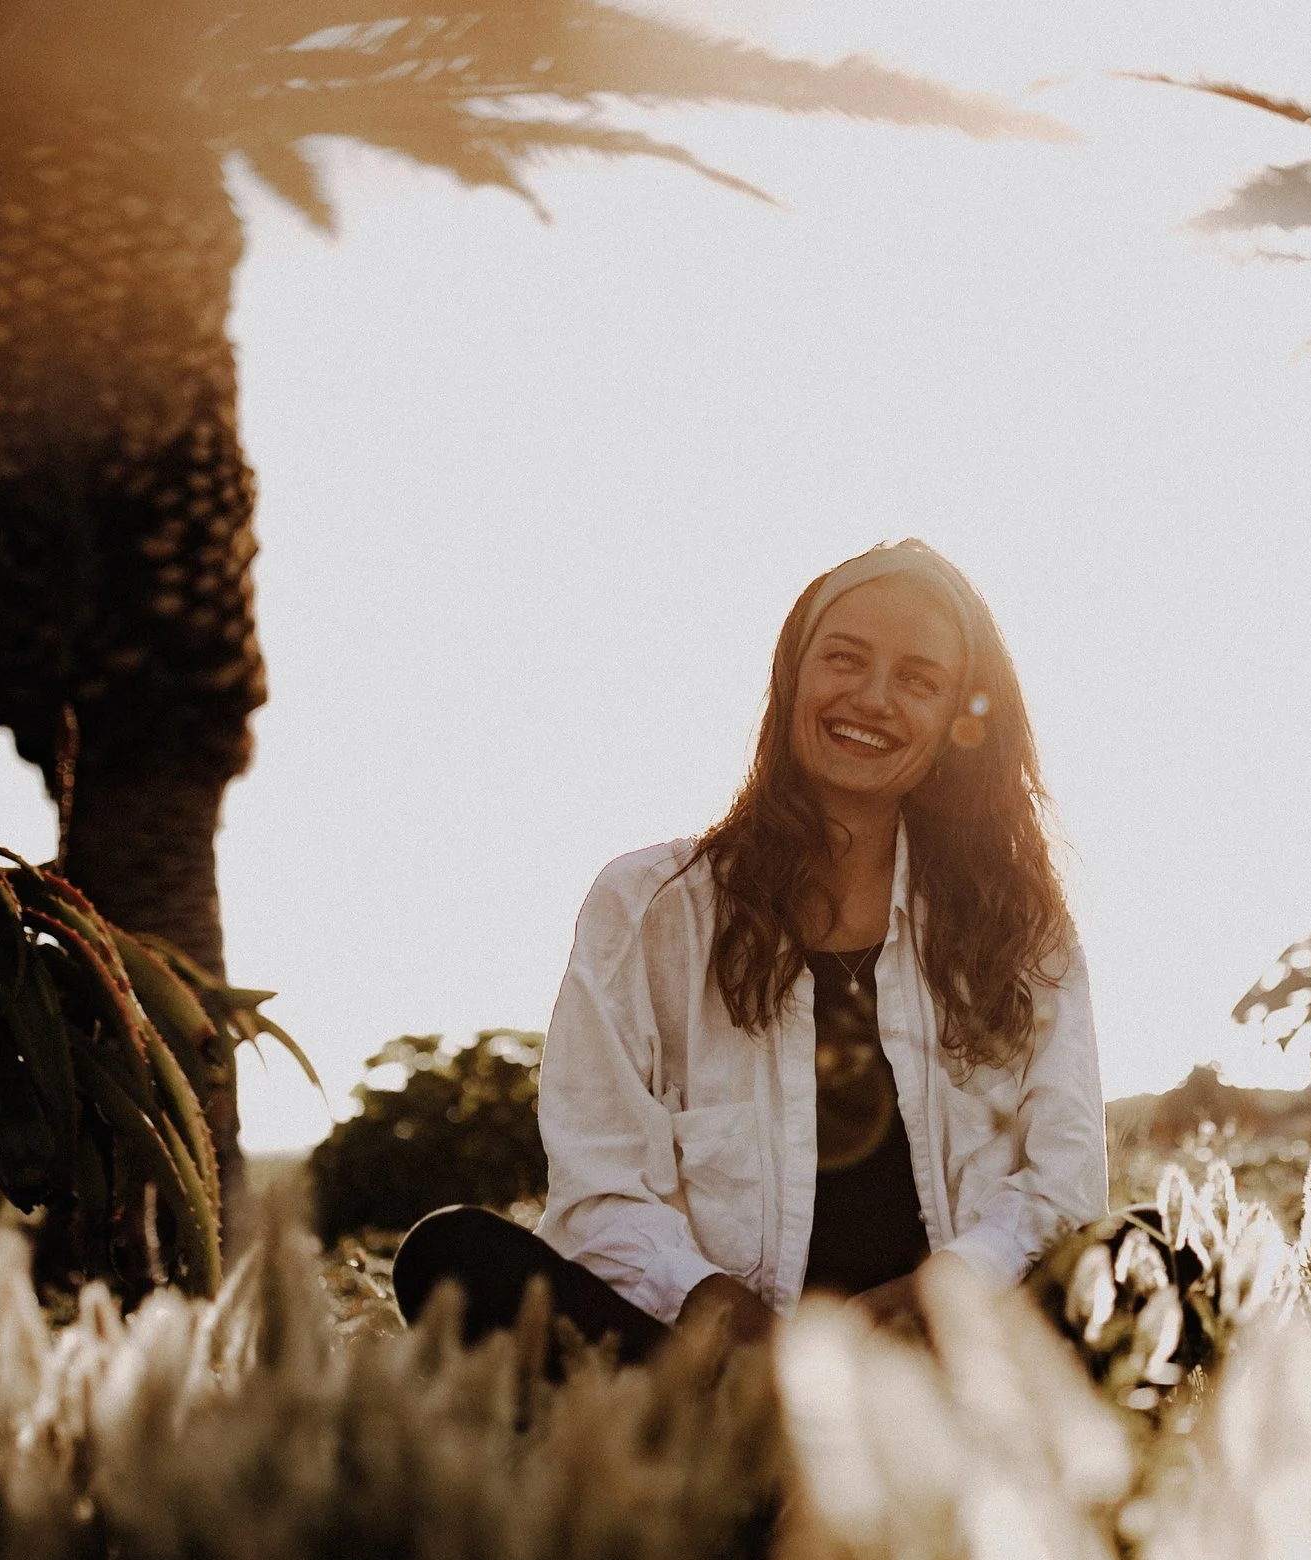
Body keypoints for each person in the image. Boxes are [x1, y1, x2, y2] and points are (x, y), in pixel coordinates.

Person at [391, 538, 1106, 1354]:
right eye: (845, 658)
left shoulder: (1019, 927)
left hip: (953, 1370)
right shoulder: (647, 907)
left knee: (1157, 1254)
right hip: (709, 1370)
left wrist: (927, 1303)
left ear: (955, 723)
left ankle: (793, 1469)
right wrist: (749, 1344)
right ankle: (742, 1455)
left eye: (918, 679)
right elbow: (602, 1192)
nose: (872, 697)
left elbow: (1064, 1190)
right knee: (451, 1256)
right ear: (792, 676)